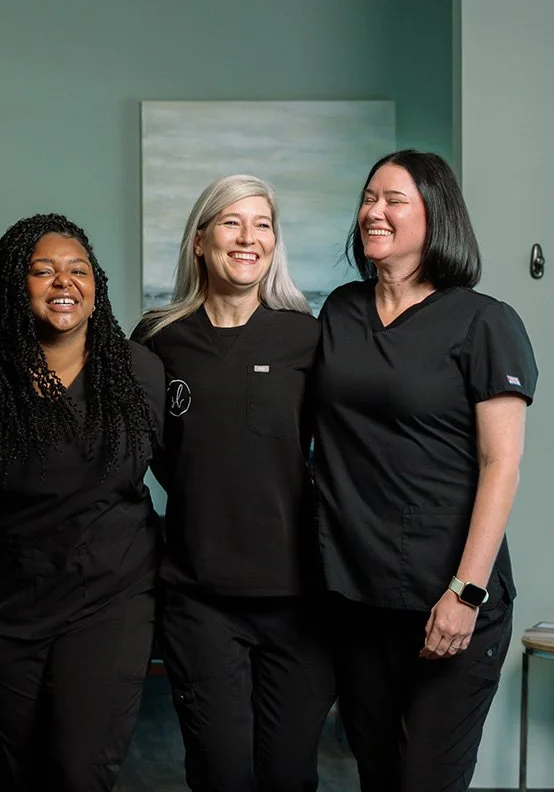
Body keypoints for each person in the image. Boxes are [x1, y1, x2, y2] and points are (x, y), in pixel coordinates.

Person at [312, 150, 537, 792]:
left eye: (394, 200)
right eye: (369, 198)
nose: (374, 212)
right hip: (357, 597)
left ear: (436, 216)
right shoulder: (341, 311)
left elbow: (502, 463)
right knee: (377, 776)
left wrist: (466, 593)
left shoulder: (485, 321)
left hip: (449, 597)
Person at [132, 175, 335, 792]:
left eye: (262, 225)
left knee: (290, 776)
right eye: (231, 222)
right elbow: (148, 452)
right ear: (200, 240)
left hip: (299, 601)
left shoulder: (306, 336)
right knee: (220, 775)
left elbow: (340, 452)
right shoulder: (158, 338)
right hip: (200, 600)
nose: (249, 238)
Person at [0, 214, 164, 791]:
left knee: (80, 772)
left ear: (96, 286)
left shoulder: (138, 372)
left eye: (78, 270)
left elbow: (188, 474)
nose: (64, 282)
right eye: (43, 271)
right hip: (11, 602)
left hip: (111, 596)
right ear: (17, 285)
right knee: (20, 770)